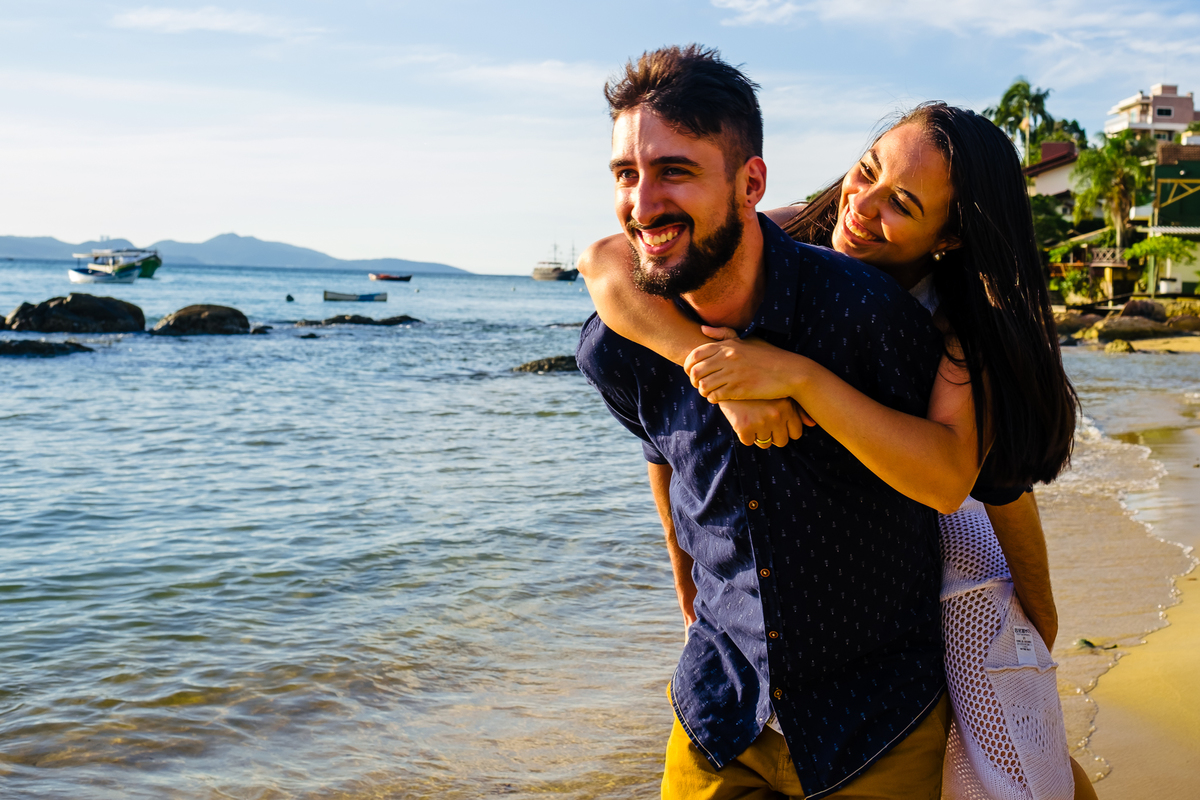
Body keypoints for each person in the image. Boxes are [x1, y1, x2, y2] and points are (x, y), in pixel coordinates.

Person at [580, 85, 1096, 800]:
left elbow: (989, 486)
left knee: (1009, 741)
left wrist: (1037, 627)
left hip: (930, 537)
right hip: (780, 611)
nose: (864, 206)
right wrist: (723, 381)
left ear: (948, 237)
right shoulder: (790, 235)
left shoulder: (951, 328)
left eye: (902, 206)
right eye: (868, 170)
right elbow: (607, 264)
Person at [577, 45, 953, 799]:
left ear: (751, 183)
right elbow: (664, 455)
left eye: (674, 171)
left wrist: (1033, 622)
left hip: (878, 721)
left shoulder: (868, 316)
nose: (643, 203)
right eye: (627, 174)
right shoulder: (620, 346)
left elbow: (963, 472)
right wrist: (684, 579)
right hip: (721, 711)